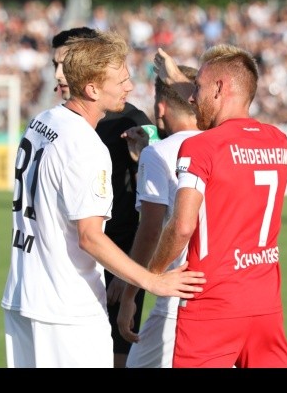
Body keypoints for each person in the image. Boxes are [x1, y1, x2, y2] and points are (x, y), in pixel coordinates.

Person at [0, 30, 205, 368]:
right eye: (121, 80)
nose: (129, 87)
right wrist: (151, 280)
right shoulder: (85, 145)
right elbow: (90, 237)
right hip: (66, 308)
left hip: (23, 295)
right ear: (92, 88)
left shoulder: (42, 121)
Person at [148, 45, 287, 368]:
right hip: (265, 304)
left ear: (218, 88)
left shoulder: (199, 147)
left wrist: (152, 274)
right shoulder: (277, 140)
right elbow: (225, 115)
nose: (191, 98)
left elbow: (183, 226)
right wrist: (176, 77)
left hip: (211, 305)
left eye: (196, 88)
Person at [51, 26, 150, 368]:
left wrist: (129, 278)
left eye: (66, 63)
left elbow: (152, 203)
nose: (60, 74)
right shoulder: (57, 123)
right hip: (71, 268)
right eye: (56, 65)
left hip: (116, 264)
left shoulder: (132, 120)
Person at [117, 65, 200, 368]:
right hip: (225, 290)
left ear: (161, 107)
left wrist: (130, 295)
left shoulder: (160, 154)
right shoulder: (220, 145)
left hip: (178, 292)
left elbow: (151, 230)